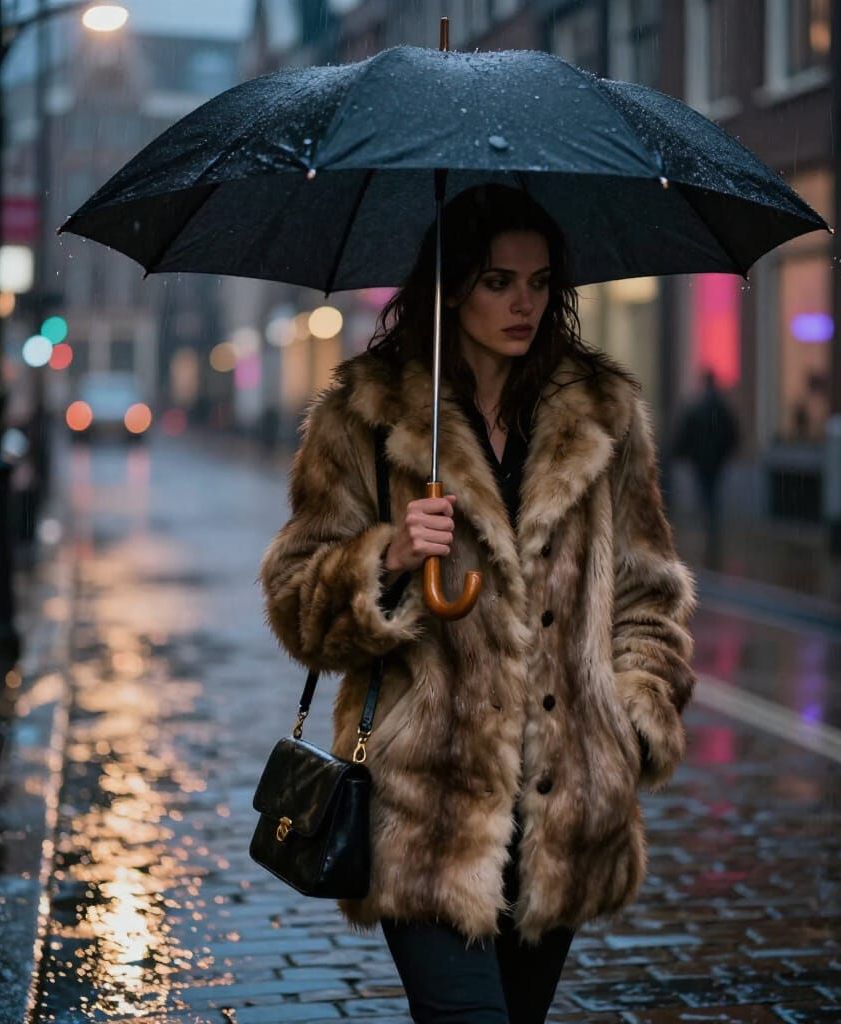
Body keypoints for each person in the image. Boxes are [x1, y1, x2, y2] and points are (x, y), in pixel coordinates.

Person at [258, 184, 698, 1024]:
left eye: (539, 282)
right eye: (498, 281)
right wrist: (385, 555)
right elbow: (295, 600)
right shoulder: (367, 415)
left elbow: (648, 594)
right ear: (453, 287)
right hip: (423, 806)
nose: (524, 303)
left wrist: (632, 721)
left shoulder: (602, 415)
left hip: (563, 807)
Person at [671, 370, 739, 567]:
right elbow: (732, 435)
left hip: (703, 463)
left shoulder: (700, 408)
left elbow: (686, 434)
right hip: (713, 463)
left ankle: (709, 530)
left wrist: (686, 454)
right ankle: (711, 531)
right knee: (712, 496)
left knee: (705, 495)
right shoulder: (720, 409)